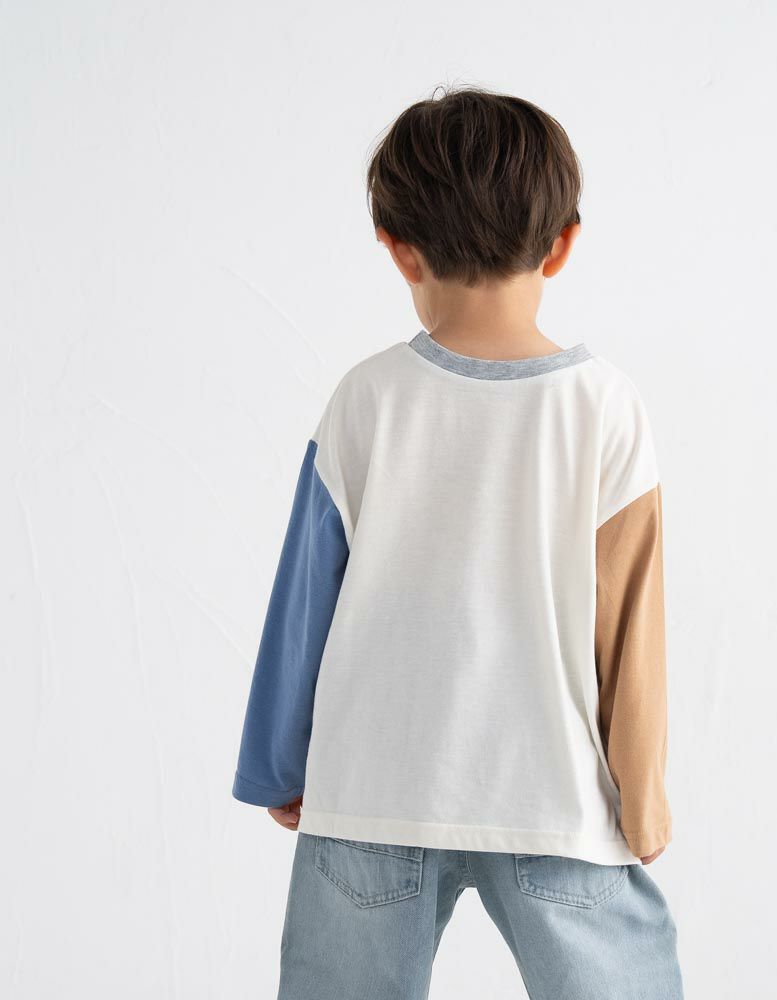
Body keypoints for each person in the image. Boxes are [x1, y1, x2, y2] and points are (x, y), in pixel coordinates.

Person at [232, 85, 684, 999]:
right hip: (553, 798)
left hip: (372, 794)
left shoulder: (367, 400)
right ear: (562, 244)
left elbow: (304, 596)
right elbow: (630, 621)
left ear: (398, 248)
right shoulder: (603, 406)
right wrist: (641, 796)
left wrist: (279, 760)